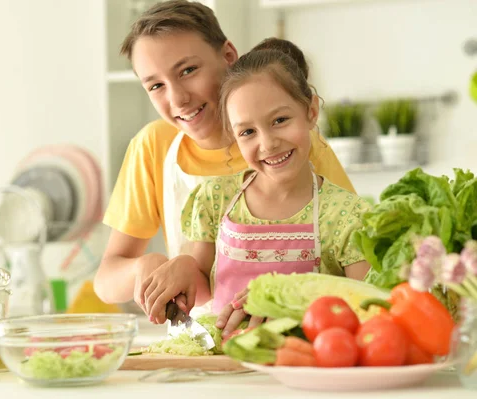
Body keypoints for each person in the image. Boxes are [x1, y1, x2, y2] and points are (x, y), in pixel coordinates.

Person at [94, 0, 356, 323]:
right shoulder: (153, 146)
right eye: (156, 85)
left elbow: (355, 246)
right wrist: (142, 267)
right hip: (202, 345)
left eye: (188, 70)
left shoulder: (292, 145)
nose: (177, 98)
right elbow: (105, 280)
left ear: (228, 56)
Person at [142, 37, 372, 336]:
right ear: (234, 136)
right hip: (228, 364)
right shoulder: (215, 199)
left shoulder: (348, 215)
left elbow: (368, 309)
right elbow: (202, 283)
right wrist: (183, 267)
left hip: (307, 366)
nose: (268, 143)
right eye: (248, 131)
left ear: (311, 111)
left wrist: (291, 298)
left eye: (280, 120)